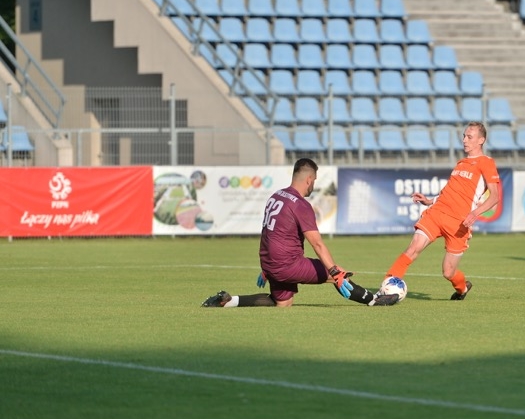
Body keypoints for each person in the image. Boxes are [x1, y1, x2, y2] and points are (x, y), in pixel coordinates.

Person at [202, 158, 398, 307]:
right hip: (287, 264)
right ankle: (375, 300)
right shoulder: (301, 205)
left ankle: (228, 301)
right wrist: (334, 272)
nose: (314, 185)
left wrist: (267, 267)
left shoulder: (276, 195)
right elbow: (317, 244)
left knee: (282, 304)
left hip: (270, 262)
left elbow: (269, 232)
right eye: (314, 181)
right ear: (309, 179)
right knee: (337, 276)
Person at [383, 121, 501, 300]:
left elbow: (494, 197)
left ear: (481, 140)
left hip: (458, 223)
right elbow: (450, 191)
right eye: (464, 136)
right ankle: (386, 288)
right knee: (413, 248)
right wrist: (429, 201)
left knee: (448, 271)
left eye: (469, 137)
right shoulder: (461, 163)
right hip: (437, 213)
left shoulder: (486, 163)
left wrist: (475, 213)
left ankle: (462, 288)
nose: (464, 140)